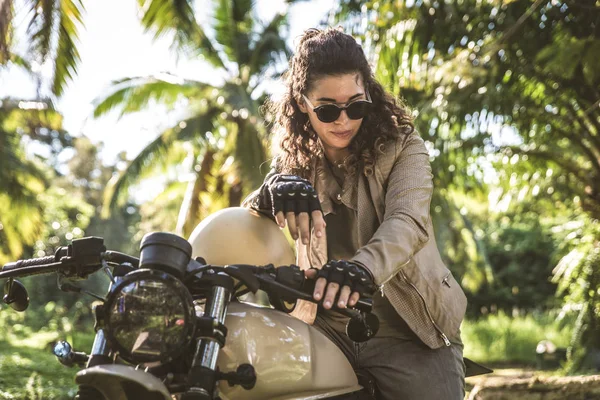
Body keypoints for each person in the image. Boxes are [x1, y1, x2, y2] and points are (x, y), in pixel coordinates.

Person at [243, 27, 467, 400]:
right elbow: (247, 217)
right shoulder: (294, 162)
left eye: (356, 105)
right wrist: (270, 193)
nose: (344, 120)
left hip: (411, 331)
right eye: (328, 109)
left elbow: (408, 222)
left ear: (370, 96)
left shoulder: (405, 146)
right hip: (323, 329)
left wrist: (361, 269)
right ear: (302, 103)